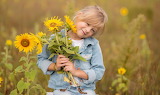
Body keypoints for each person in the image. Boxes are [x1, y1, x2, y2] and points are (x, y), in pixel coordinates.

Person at [37, 5, 108, 95]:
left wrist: (76, 72)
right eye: (88, 24)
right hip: (62, 89)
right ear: (79, 15)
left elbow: (99, 71)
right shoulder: (56, 39)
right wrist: (55, 66)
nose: (87, 30)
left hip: (85, 89)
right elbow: (41, 59)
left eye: (93, 30)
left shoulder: (93, 45)